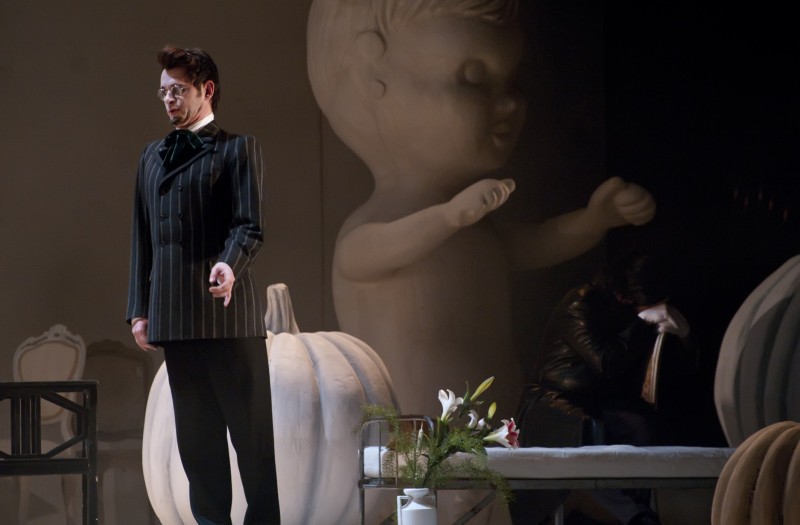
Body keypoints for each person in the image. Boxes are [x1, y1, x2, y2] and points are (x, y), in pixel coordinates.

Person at [307, 0, 657, 419]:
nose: (509, 103)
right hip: (414, 430)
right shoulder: (372, 228)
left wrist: (593, 220)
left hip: (498, 420)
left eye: (512, 80)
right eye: (473, 78)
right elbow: (361, 254)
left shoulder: (479, 232)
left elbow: (539, 241)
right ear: (371, 78)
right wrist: (448, 216)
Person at [126, 45, 280, 525]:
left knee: (251, 440)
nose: (169, 99)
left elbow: (249, 225)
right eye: (163, 92)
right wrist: (139, 309)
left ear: (206, 90)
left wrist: (230, 265)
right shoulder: (151, 156)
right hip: (174, 315)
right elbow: (142, 238)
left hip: (227, 315)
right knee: (197, 444)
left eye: (178, 90)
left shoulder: (237, 148)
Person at [513, 253, 698, 525]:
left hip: (594, 405)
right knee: (589, 438)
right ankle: (636, 517)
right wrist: (643, 322)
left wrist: (685, 336)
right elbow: (605, 361)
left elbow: (674, 370)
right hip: (552, 405)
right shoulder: (582, 302)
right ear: (627, 296)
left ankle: (636, 510)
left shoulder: (626, 315)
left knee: (637, 426)